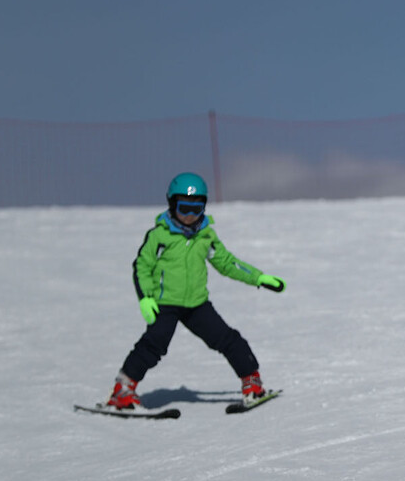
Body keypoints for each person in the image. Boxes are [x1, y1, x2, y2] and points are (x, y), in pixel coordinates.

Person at [103, 172, 286, 410]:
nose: (190, 216)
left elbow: (227, 263)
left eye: (196, 209)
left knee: (229, 339)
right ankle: (122, 391)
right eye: (184, 208)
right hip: (164, 303)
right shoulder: (160, 236)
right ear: (172, 204)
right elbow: (142, 266)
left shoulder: (206, 235)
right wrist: (146, 298)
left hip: (197, 304)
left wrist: (259, 277)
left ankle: (252, 384)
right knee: (154, 344)